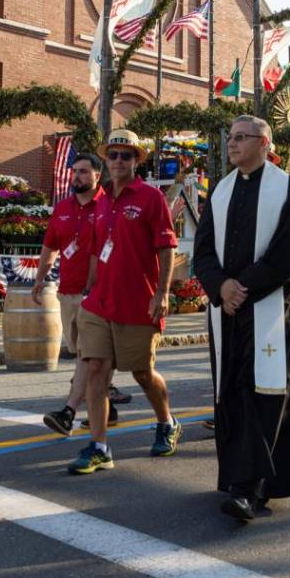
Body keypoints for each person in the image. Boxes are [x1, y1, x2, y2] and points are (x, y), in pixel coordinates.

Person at [194, 115, 290, 521]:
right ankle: (236, 478)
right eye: (230, 139)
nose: (231, 145)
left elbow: (288, 250)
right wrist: (221, 287)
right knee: (232, 388)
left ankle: (252, 487)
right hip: (226, 309)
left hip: (267, 306)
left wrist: (243, 288)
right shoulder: (220, 191)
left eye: (240, 138)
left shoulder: (287, 187)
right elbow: (202, 251)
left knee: (261, 390)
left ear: (263, 142)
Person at [67, 129, 181, 475]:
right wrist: (88, 294)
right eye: (113, 155)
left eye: (126, 155)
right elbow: (96, 254)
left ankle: (167, 422)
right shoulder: (100, 202)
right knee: (97, 368)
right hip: (101, 303)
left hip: (139, 302)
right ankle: (99, 446)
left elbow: (167, 248)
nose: (119, 161)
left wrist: (162, 294)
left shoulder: (150, 198)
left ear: (136, 160)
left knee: (143, 373)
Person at [34, 152, 130, 434]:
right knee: (82, 354)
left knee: (87, 357)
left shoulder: (108, 206)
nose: (77, 176)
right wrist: (40, 279)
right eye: (75, 171)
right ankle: (106, 409)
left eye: (84, 172)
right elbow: (50, 247)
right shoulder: (63, 208)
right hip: (68, 293)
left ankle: (68, 411)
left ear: (98, 175)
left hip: (99, 295)